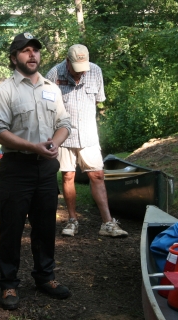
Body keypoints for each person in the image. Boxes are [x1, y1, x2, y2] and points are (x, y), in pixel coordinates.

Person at [0, 32, 72, 310]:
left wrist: (53, 144)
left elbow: (64, 123)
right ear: (14, 58)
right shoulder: (4, 91)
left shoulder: (52, 87)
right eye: (25, 51)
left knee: (46, 225)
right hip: (17, 168)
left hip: (46, 167)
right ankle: (9, 284)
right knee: (11, 229)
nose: (32, 55)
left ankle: (45, 277)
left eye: (35, 50)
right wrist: (33, 147)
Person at [46, 44, 128, 238]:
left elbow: (98, 100)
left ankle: (107, 223)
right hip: (63, 136)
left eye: (83, 68)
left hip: (89, 135)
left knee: (97, 175)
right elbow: (46, 107)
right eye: (76, 68)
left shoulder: (95, 71)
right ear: (67, 62)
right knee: (67, 176)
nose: (80, 73)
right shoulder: (53, 75)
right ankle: (72, 220)